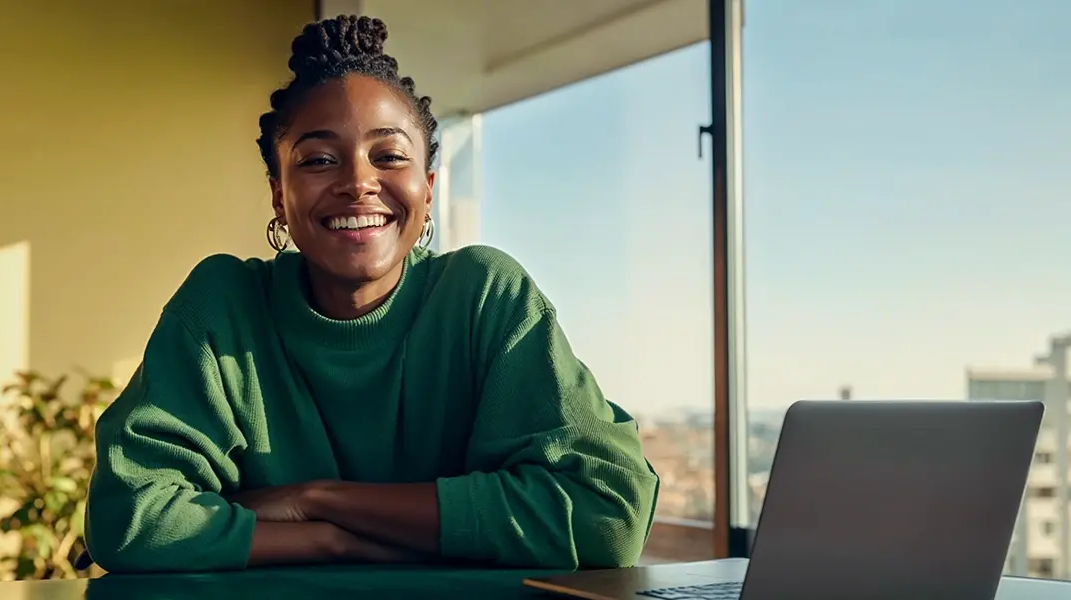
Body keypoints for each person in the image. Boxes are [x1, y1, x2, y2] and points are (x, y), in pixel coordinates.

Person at [83, 14, 659, 574]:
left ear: (427, 190)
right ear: (279, 195)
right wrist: (330, 543)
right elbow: (129, 517)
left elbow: (608, 515)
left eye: (389, 156)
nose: (358, 182)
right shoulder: (222, 306)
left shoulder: (484, 296)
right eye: (318, 160)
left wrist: (320, 499)